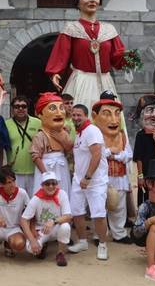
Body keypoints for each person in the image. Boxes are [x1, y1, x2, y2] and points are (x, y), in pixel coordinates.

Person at [45, 0, 126, 112]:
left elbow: (117, 57)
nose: (92, 0)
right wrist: (55, 72)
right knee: (82, 115)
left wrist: (129, 59)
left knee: (109, 116)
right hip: (81, 80)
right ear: (77, 3)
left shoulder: (109, 29)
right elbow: (61, 54)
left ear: (99, 2)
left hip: (106, 82)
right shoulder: (71, 28)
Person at [67, 103, 109, 260]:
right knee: (76, 212)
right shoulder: (79, 133)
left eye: (79, 115)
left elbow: (96, 154)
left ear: (86, 116)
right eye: (74, 115)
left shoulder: (92, 131)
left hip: (95, 181)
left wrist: (88, 177)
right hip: (78, 180)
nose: (76, 117)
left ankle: (103, 245)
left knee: (98, 214)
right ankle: (83, 241)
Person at [92, 97, 132, 243]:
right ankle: (99, 234)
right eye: (107, 114)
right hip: (101, 176)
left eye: (117, 114)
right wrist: (109, 151)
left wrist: (116, 155)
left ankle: (119, 233)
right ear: (95, 116)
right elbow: (94, 154)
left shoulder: (122, 135)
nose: (114, 120)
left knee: (119, 206)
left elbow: (129, 155)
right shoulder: (94, 134)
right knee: (99, 206)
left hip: (119, 175)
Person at [0, 166, 30, 270]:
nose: (13, 185)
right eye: (9, 182)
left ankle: (8, 244)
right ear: (1, 184)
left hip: (14, 228)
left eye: (13, 181)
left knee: (20, 244)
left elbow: (30, 212)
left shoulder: (22, 193)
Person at [21, 171, 73, 267]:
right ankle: (43, 245)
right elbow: (24, 220)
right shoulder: (36, 198)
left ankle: (60, 253)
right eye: (47, 184)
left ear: (57, 184)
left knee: (65, 227)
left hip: (56, 227)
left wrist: (53, 221)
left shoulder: (62, 194)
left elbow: (68, 216)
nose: (51, 186)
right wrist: (32, 240)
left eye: (53, 183)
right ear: (42, 185)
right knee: (31, 249)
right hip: (41, 229)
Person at [31, 93, 74, 196]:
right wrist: (46, 173)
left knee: (63, 192)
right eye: (52, 108)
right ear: (40, 115)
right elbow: (35, 156)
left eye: (61, 108)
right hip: (46, 167)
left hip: (62, 166)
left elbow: (70, 150)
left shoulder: (64, 133)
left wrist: (62, 139)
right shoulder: (40, 135)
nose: (59, 113)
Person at [133, 95, 155, 206]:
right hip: (146, 173)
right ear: (142, 114)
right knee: (145, 202)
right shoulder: (140, 135)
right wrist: (140, 176)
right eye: (150, 110)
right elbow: (138, 157)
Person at [5, 95, 41, 196]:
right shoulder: (6, 124)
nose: (20, 109)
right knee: (17, 199)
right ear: (12, 109)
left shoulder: (38, 123)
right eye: (17, 106)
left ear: (28, 108)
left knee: (34, 199)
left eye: (23, 106)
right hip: (14, 171)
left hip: (34, 170)